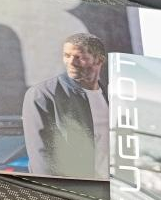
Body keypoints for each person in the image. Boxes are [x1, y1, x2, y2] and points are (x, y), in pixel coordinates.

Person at [22, 33, 109, 179]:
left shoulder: (111, 95)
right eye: (67, 56)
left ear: (99, 60)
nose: (71, 62)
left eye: (79, 57)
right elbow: (41, 154)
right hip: (75, 186)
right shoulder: (43, 94)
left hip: (110, 186)